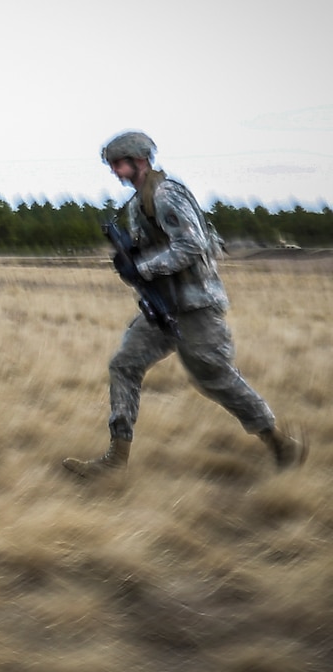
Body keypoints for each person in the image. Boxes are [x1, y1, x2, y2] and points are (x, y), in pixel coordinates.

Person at [62, 130, 307, 479]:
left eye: (120, 164)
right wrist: (129, 259)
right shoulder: (135, 206)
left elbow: (191, 245)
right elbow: (149, 248)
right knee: (124, 365)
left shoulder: (167, 195)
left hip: (196, 307)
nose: (116, 172)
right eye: (113, 166)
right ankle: (116, 461)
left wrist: (143, 266)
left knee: (215, 378)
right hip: (162, 305)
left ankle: (280, 444)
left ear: (140, 160)